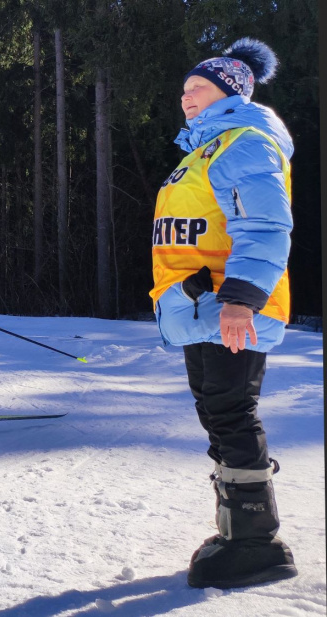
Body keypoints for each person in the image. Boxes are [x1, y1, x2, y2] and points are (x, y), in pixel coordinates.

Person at [150, 38, 297, 589]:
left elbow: (263, 225)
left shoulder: (246, 142)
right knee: (217, 411)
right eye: (184, 89)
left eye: (199, 88)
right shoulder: (204, 151)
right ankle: (238, 527)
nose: (186, 97)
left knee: (232, 410)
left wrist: (240, 299)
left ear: (231, 92)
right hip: (200, 307)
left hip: (229, 306)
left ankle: (257, 541)